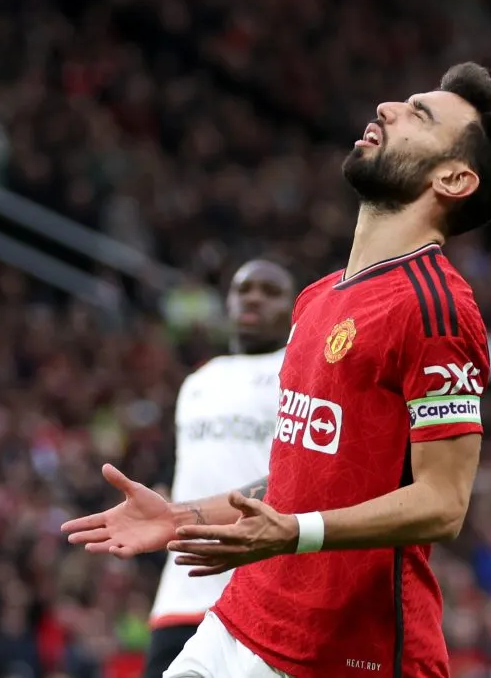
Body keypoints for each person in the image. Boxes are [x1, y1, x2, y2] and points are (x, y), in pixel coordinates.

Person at [62, 62, 491, 678]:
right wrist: (181, 516)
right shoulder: (318, 298)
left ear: (454, 177)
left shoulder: (436, 308)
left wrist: (296, 534)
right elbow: (295, 487)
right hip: (242, 621)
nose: (388, 106)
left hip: (341, 654)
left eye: (420, 114)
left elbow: (443, 503)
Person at [142, 260, 295, 676]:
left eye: (269, 290)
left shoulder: (300, 372)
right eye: (243, 288)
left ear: (293, 309)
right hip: (182, 591)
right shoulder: (198, 381)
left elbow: (300, 476)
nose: (253, 297)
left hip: (260, 590)